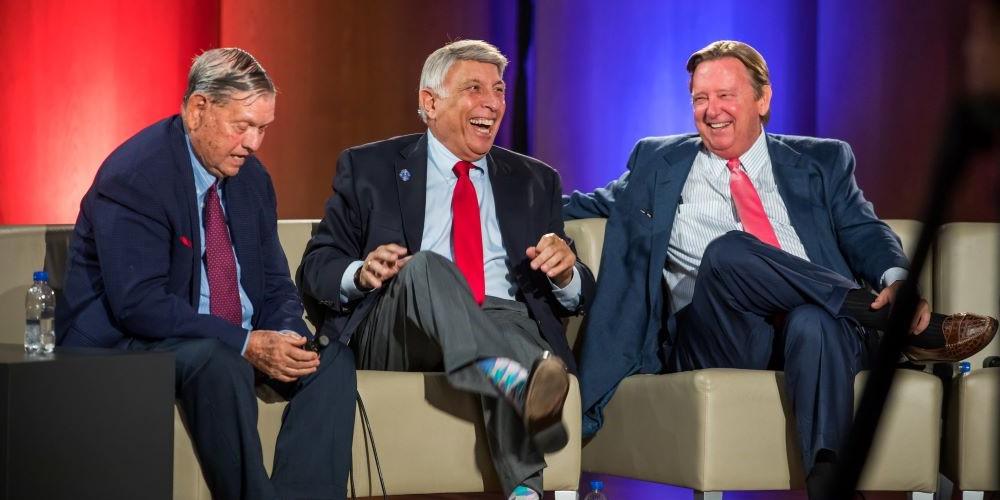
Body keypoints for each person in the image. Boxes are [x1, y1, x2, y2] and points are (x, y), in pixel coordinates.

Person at [562, 40, 998, 498]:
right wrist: (494, 183)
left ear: (762, 98)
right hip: (720, 334)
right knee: (729, 251)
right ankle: (883, 317)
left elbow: (864, 231)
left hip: (820, 328)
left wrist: (896, 279)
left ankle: (829, 482)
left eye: (726, 95)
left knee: (813, 322)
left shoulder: (822, 161)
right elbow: (578, 203)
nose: (712, 111)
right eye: (700, 98)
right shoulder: (659, 163)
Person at [297, 39, 594, 500]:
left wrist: (565, 273)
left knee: (515, 333)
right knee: (425, 268)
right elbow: (317, 264)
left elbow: (577, 294)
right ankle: (511, 378)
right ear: (429, 102)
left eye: (498, 90)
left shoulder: (535, 180)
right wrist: (360, 272)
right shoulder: (369, 167)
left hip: (500, 315)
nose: (492, 103)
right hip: (401, 325)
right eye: (474, 88)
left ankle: (525, 492)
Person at [57, 48, 355, 500]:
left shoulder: (251, 179)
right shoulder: (137, 176)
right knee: (221, 361)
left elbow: (275, 282)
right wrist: (244, 342)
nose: (254, 143)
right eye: (243, 126)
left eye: (263, 129)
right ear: (199, 109)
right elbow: (139, 305)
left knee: (329, 359)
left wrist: (289, 335)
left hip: (224, 342)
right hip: (131, 344)